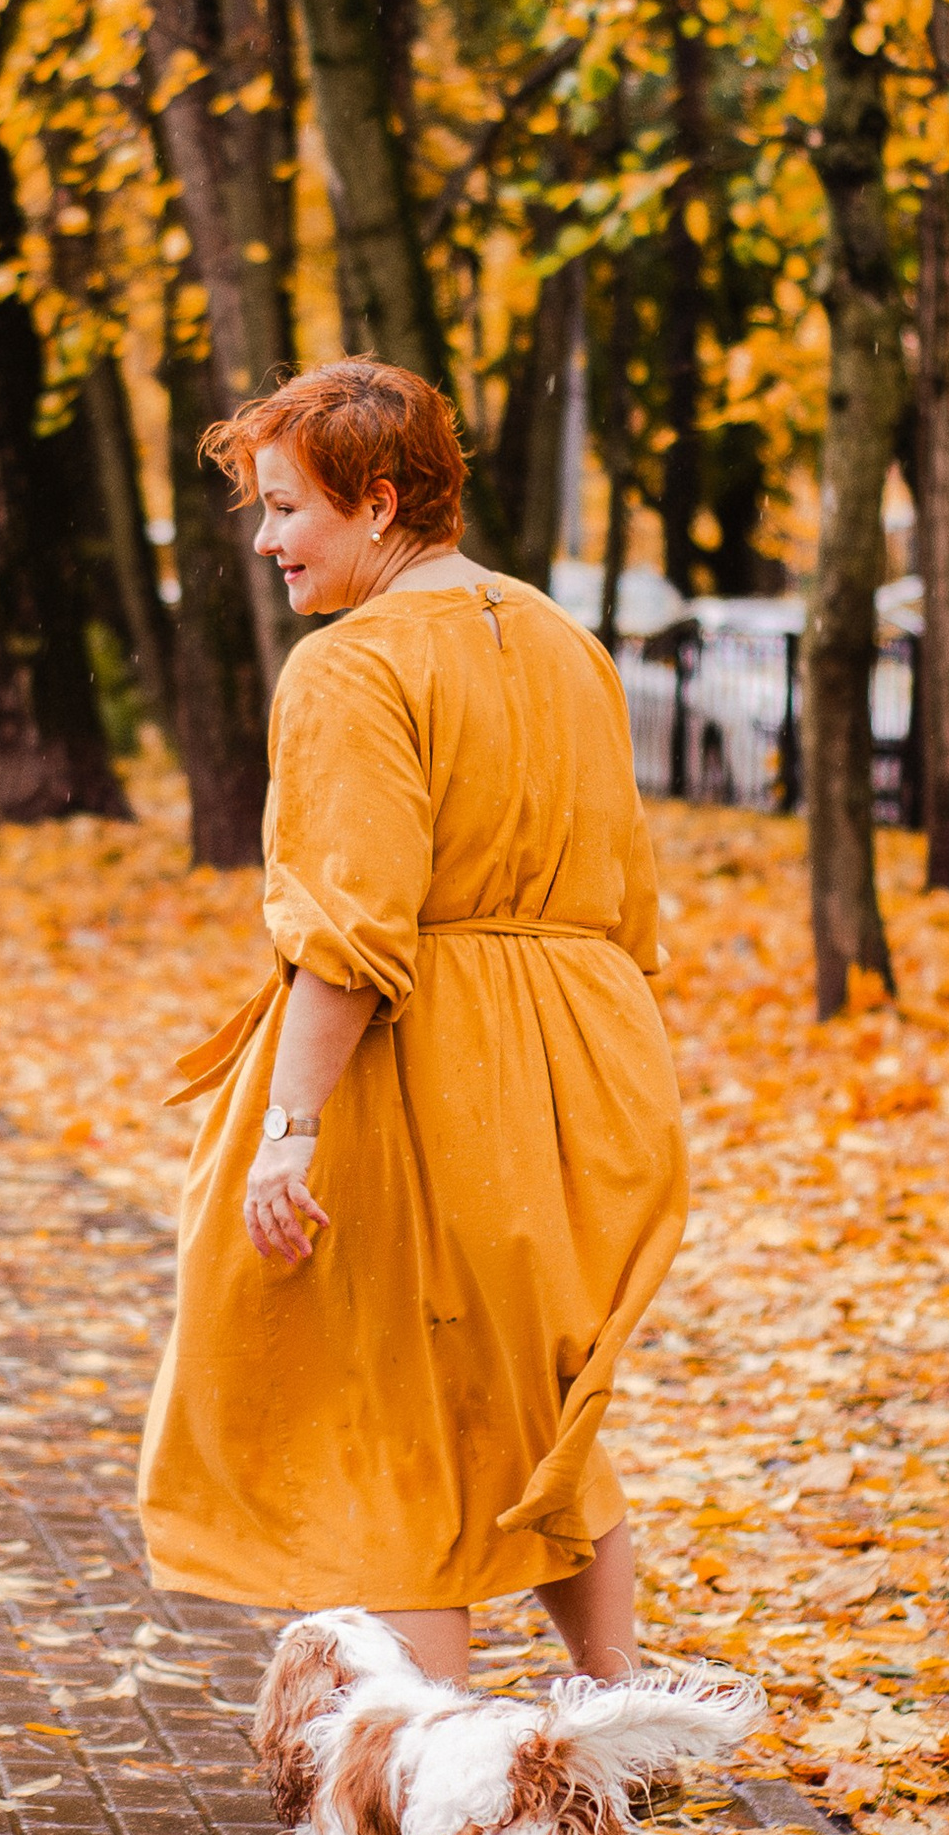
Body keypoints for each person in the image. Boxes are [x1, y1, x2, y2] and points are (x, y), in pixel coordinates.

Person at [136, 357, 687, 1684]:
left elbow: (350, 932)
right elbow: (627, 895)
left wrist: (289, 1128)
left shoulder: (352, 669)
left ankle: (445, 1798)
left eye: (286, 508)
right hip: (579, 1065)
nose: (266, 539)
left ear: (378, 505)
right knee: (528, 1403)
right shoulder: (565, 642)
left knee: (387, 1425)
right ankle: (619, 1732)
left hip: (420, 1063)